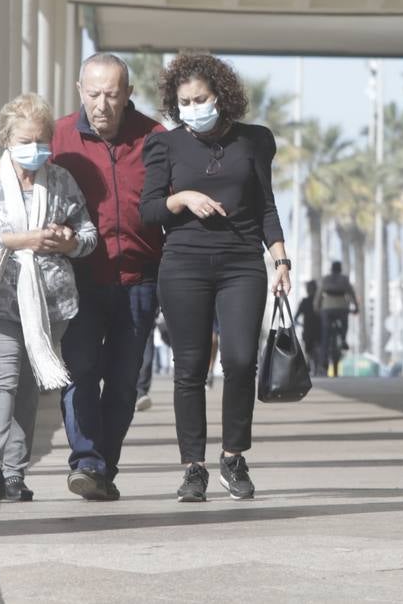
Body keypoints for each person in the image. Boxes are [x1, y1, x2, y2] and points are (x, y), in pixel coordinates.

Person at [140, 52, 291, 503]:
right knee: (189, 369)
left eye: (200, 98)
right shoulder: (165, 145)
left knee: (242, 360)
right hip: (183, 265)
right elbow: (148, 211)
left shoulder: (255, 141)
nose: (191, 107)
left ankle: (232, 457)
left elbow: (266, 205)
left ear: (221, 97)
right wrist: (182, 197)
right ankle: (193, 468)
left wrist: (280, 259)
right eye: (183, 101)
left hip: (242, 264)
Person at [0, 94, 98, 502]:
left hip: (47, 305)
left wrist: (67, 241)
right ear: (5, 138)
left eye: (41, 140)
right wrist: (24, 240)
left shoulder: (61, 181)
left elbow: (88, 237)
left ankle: (14, 476)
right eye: (24, 140)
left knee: (27, 389)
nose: (33, 148)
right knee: (1, 377)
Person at [51, 53, 165, 502]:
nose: (102, 105)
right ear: (80, 90)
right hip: (78, 279)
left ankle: (104, 466)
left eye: (112, 95)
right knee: (80, 372)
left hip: (139, 280)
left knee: (122, 382)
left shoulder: (155, 138)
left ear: (129, 95)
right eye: (94, 94)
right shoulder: (58, 137)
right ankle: (87, 462)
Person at [315, 263, 359, 377]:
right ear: (340, 269)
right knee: (344, 323)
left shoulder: (326, 279)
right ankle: (343, 339)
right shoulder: (344, 279)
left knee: (325, 335)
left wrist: (316, 307)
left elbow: (319, 294)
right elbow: (351, 293)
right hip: (342, 307)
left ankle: (323, 359)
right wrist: (356, 307)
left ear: (331, 269)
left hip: (327, 308)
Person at [295, 279, 323, 376]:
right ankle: (318, 368)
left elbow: (296, 317)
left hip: (307, 331)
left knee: (309, 351)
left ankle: (312, 368)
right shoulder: (321, 301)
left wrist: (300, 325)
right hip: (320, 330)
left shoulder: (304, 301)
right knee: (318, 348)